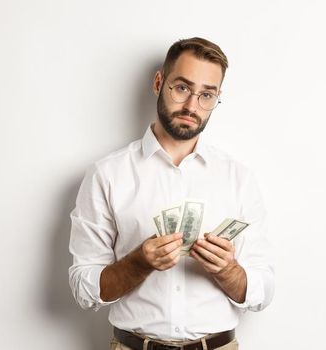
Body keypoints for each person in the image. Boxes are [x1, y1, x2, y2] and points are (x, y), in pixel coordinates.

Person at [68, 37, 275, 350]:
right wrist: (138, 263)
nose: (192, 106)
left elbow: (263, 291)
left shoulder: (239, 178)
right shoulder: (107, 175)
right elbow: (84, 289)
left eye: (207, 95)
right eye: (182, 88)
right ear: (158, 82)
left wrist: (228, 270)